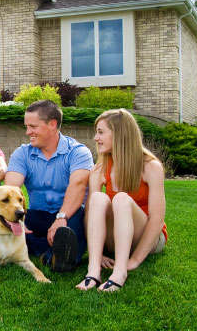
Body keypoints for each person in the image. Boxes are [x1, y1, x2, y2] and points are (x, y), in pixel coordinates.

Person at [75, 109, 167, 292]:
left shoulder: (150, 166)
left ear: (119, 134)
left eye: (101, 132)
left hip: (147, 239)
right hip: (115, 239)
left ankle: (119, 273)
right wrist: (98, 254)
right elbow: (90, 215)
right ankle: (93, 271)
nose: (95, 138)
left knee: (121, 199)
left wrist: (135, 260)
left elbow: (157, 220)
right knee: (98, 198)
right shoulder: (99, 169)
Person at [4, 100, 93, 272]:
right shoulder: (22, 154)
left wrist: (61, 218)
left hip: (70, 214)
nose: (28, 132)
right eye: (26, 126)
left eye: (33, 126)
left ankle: (54, 254)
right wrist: (18, 220)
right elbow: (11, 189)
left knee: (70, 229)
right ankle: (49, 252)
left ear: (52, 124)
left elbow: (77, 187)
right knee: (13, 225)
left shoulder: (78, 152)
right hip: (38, 215)